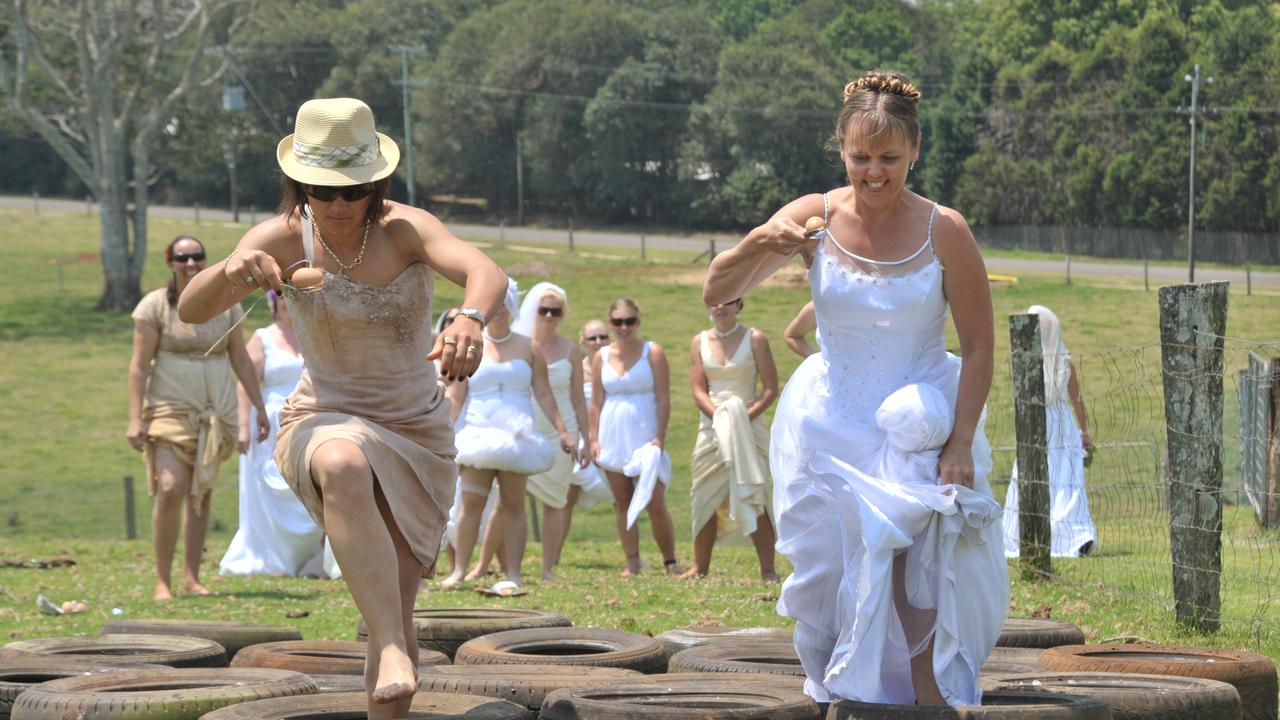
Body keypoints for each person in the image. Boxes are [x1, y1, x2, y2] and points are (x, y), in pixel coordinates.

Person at [178, 98, 507, 718]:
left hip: (415, 430)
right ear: (299, 182)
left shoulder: (405, 228)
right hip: (322, 417)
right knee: (344, 462)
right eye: (323, 189)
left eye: (353, 190)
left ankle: (390, 652)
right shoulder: (278, 237)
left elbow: (483, 269)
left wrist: (470, 316)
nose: (337, 205)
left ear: (375, 183)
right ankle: (386, 645)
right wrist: (231, 268)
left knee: (397, 609)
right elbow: (192, 309)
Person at [702, 71, 1007, 707]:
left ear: (915, 151)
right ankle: (845, 692)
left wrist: (960, 441)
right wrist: (762, 240)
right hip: (831, 419)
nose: (874, 173)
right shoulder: (815, 215)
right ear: (841, 150)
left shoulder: (943, 229)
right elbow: (718, 291)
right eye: (860, 157)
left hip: (917, 420)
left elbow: (979, 345)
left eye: (889, 159)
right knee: (836, 570)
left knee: (913, 567)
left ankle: (929, 698)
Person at [127, 235, 269, 601]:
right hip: (168, 408)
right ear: (170, 262)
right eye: (182, 258)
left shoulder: (226, 304)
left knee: (200, 494)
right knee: (171, 489)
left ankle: (191, 576)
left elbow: (240, 359)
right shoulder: (154, 307)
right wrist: (134, 418)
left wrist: (259, 408)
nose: (190, 264)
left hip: (214, 409)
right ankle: (163, 580)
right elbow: (140, 366)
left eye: (197, 257)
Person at [440, 281, 575, 591]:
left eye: (505, 304)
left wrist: (563, 431)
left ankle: (512, 572)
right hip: (478, 433)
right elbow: (457, 394)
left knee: (514, 504)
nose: (499, 311)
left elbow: (543, 393)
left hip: (518, 435)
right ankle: (459, 569)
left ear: (512, 307)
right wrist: (445, 429)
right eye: (495, 305)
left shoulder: (529, 348)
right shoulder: (472, 345)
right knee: (471, 504)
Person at [219, 292, 334, 578]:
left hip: (310, 418)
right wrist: (244, 425)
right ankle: (273, 558)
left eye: (293, 299)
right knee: (269, 486)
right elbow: (245, 384)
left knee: (311, 483)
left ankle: (315, 557)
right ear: (273, 305)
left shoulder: (315, 335)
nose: (287, 304)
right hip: (269, 422)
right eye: (281, 299)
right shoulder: (263, 337)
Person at [684, 297, 780, 582]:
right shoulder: (698, 341)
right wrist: (719, 417)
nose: (720, 308)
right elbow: (698, 389)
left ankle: (768, 569)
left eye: (728, 302)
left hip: (748, 425)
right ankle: (699, 567)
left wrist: (741, 418)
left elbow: (770, 388)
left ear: (739, 305)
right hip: (712, 425)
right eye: (715, 303)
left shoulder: (756, 339)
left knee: (756, 493)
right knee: (704, 494)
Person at [590, 299, 680, 577]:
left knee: (654, 500)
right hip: (612, 434)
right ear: (610, 323)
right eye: (617, 322)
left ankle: (670, 561)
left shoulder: (652, 352)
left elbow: (664, 398)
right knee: (622, 499)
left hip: (645, 433)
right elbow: (595, 402)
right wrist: (593, 439)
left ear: (638, 322)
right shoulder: (601, 357)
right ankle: (632, 562)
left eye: (629, 321)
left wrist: (660, 436)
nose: (624, 327)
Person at [1001, 304, 1097, 558]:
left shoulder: (1027, 362)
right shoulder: (1065, 362)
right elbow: (1076, 399)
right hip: (1061, 423)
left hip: (1036, 421)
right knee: (1065, 476)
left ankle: (1025, 532)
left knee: (1033, 471)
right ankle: (1070, 532)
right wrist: (1083, 430)